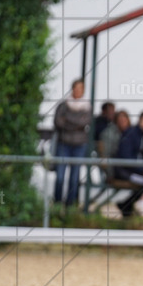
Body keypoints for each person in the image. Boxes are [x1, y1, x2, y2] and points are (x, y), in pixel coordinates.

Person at [52, 78, 92, 208]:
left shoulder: (87, 106)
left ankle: (70, 206)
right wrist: (76, 124)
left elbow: (85, 122)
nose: (78, 91)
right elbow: (58, 122)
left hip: (79, 145)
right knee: (60, 176)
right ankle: (57, 203)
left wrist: (68, 120)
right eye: (77, 88)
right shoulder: (63, 105)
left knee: (74, 178)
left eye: (81, 88)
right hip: (64, 144)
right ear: (72, 88)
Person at [98, 110, 130, 179]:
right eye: (120, 120)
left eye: (124, 120)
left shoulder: (132, 133)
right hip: (117, 170)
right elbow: (105, 156)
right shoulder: (108, 134)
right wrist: (110, 174)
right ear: (116, 121)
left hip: (133, 168)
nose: (123, 123)